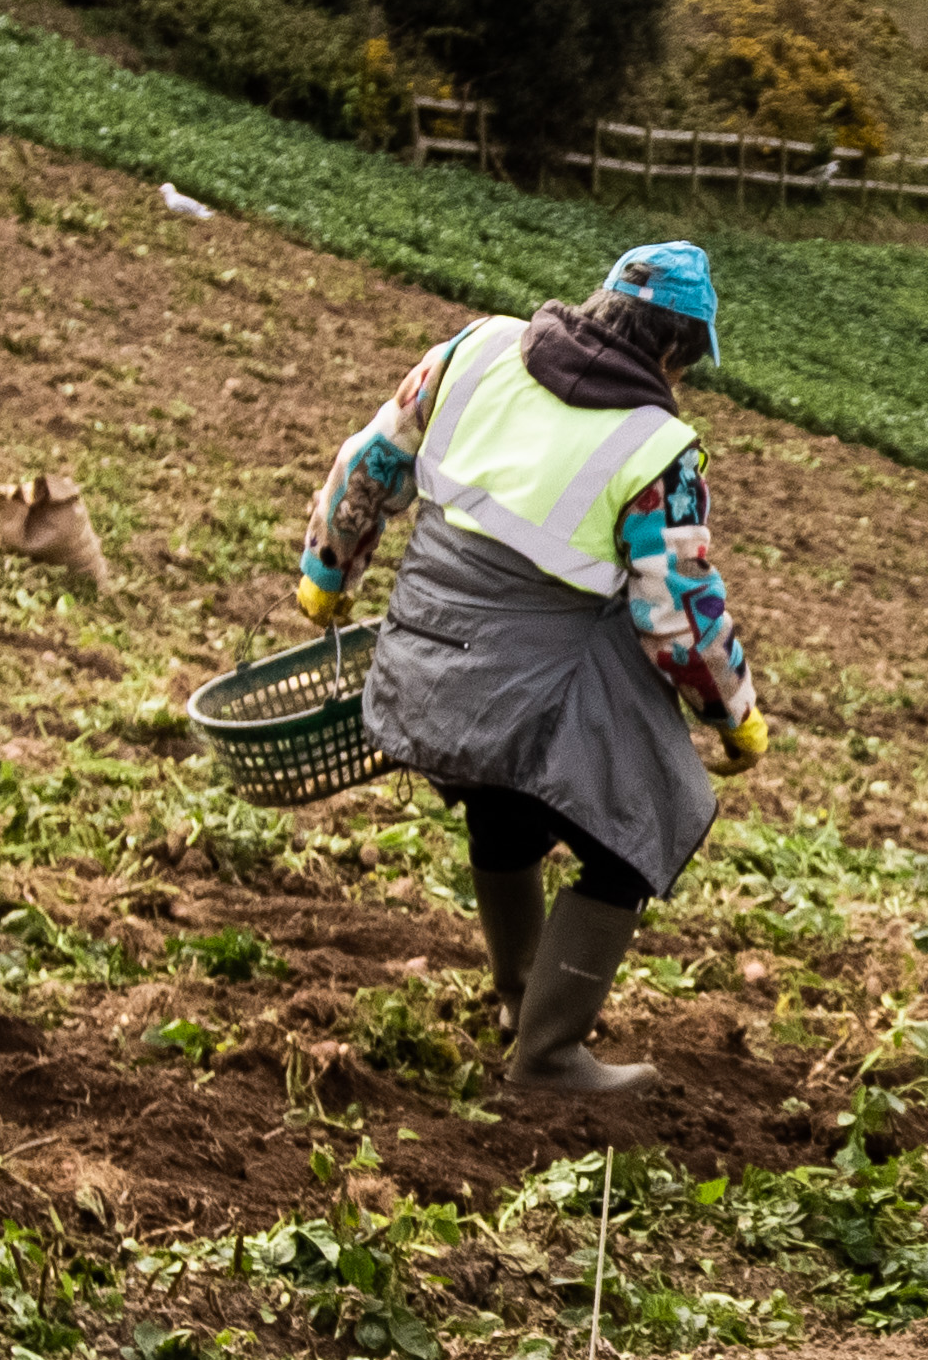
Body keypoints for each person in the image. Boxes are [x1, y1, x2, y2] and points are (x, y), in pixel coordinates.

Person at [302, 238, 766, 1102]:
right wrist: (732, 713)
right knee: (640, 826)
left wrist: (326, 573)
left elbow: (366, 464)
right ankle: (549, 1059)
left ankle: (520, 1000)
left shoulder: (472, 351)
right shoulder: (656, 448)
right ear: (673, 352)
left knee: (507, 805)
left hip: (422, 665)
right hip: (520, 690)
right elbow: (678, 618)